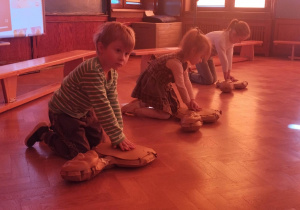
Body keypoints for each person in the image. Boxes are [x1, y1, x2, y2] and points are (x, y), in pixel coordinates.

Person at [24, 22, 136, 159]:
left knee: (98, 145)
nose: (123, 58)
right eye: (118, 50)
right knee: (79, 152)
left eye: (127, 53)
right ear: (101, 47)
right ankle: (45, 134)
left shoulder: (112, 72)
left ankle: (62, 132)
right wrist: (117, 136)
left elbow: (113, 102)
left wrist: (119, 133)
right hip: (64, 113)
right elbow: (103, 106)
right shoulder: (92, 71)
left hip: (83, 111)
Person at [121, 28, 211, 120]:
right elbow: (181, 85)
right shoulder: (176, 63)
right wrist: (188, 103)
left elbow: (186, 81)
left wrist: (192, 100)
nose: (200, 61)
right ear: (193, 50)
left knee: (173, 108)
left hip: (160, 83)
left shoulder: (184, 62)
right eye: (201, 57)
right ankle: (135, 110)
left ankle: (140, 104)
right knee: (165, 115)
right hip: (153, 83)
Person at [189, 19, 251, 85]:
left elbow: (229, 59)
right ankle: (188, 75)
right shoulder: (221, 39)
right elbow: (223, 59)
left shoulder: (231, 42)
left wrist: (228, 75)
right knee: (208, 80)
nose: (239, 42)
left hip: (208, 57)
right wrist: (226, 77)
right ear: (234, 33)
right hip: (199, 56)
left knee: (213, 79)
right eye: (240, 39)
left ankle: (196, 74)